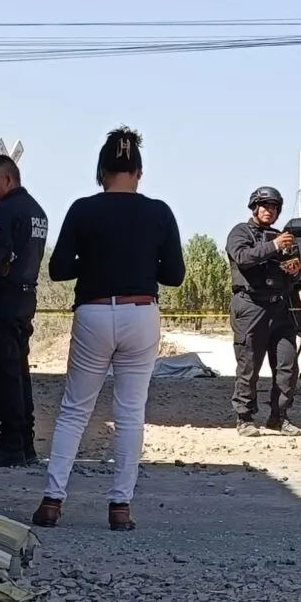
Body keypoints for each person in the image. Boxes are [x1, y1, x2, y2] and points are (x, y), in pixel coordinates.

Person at [31, 126, 184, 532]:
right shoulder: (159, 211)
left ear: (101, 171)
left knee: (75, 410)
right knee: (131, 412)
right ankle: (120, 507)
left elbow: (59, 268)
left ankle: (52, 501)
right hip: (141, 312)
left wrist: (96, 262)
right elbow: (175, 275)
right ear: (139, 170)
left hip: (95, 312)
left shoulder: (83, 209)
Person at [0, 155, 49, 469]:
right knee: (18, 371)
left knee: (2, 372)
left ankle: (11, 442)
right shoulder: (36, 211)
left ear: (8, 180)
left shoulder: (5, 212)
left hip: (1, 302)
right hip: (24, 298)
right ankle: (24, 441)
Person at [224, 186, 301, 438]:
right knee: (249, 364)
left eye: (273, 207)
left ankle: (279, 417)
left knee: (287, 365)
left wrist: (293, 269)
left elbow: (295, 271)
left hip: (279, 307)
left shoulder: (283, 238)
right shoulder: (241, 232)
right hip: (250, 306)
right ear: (254, 207)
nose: (269, 211)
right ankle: (245, 418)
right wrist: (273, 246)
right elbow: (243, 257)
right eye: (264, 206)